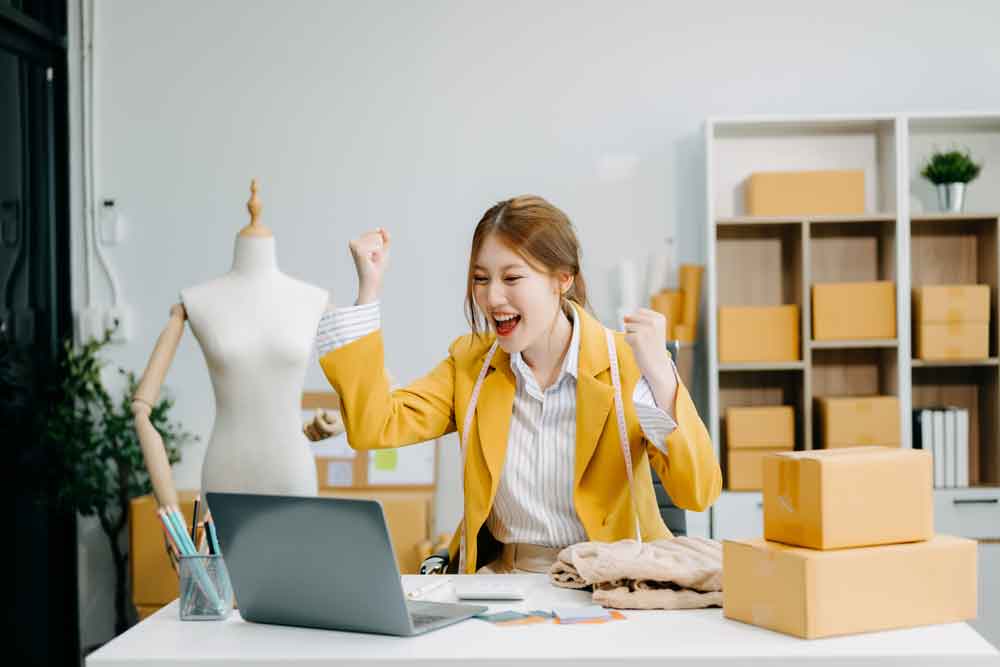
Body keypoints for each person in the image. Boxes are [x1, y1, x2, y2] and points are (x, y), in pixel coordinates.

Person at [316, 195, 721, 574]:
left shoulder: (627, 363)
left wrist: (663, 377)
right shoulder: (471, 365)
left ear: (561, 279)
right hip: (505, 583)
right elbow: (375, 426)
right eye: (480, 278)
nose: (492, 297)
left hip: (611, 582)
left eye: (512, 277)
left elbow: (698, 493)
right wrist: (368, 290)